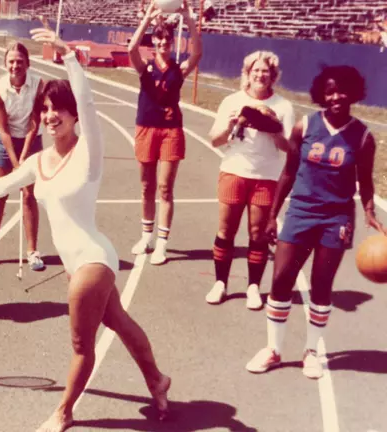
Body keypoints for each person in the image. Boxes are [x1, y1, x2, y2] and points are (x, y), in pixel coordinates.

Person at [0, 27, 171, 431]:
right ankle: (157, 379)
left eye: (59, 108)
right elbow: (3, 184)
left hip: (95, 259)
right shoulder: (38, 161)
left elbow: (91, 102)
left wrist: (70, 58)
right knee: (120, 322)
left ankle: (64, 411)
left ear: (74, 114)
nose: (50, 115)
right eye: (45, 109)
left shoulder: (88, 153)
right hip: (76, 265)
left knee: (81, 344)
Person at [246, 66, 384, 379]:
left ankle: (311, 351)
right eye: (330, 91)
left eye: (342, 90)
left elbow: (365, 180)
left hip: (335, 217)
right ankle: (273, 349)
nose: (336, 97)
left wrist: (369, 212)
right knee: (280, 279)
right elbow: (289, 172)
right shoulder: (304, 126)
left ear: (354, 93)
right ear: (321, 94)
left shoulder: (362, 137)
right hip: (301, 212)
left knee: (322, 285)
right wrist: (272, 215)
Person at [205, 51, 295, 309]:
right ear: (247, 73)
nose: (260, 75)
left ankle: (253, 286)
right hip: (234, 170)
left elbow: (288, 147)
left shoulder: (283, 106)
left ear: (273, 76)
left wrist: (275, 128)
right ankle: (220, 282)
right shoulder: (232, 100)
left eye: (265, 71)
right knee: (226, 230)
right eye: (255, 70)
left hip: (265, 176)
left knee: (258, 234)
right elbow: (214, 139)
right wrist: (231, 125)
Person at [127, 0, 202, 264]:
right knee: (146, 186)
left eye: (166, 42)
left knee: (165, 188)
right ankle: (146, 236)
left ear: (172, 44)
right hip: (146, 128)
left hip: (171, 131)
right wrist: (147, 17)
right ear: (154, 43)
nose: (162, 45)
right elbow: (130, 47)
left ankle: (161, 243)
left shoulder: (179, 69)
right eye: (158, 42)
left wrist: (189, 18)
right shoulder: (144, 67)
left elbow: (197, 53)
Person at [0, 41, 45, 272]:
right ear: (5, 63)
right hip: (3, 140)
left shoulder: (38, 85)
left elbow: (34, 124)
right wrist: (15, 163)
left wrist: (25, 157)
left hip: (30, 139)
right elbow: (4, 129)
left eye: (20, 61)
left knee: (29, 195)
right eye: (11, 62)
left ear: (28, 63)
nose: (15, 66)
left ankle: (32, 251)